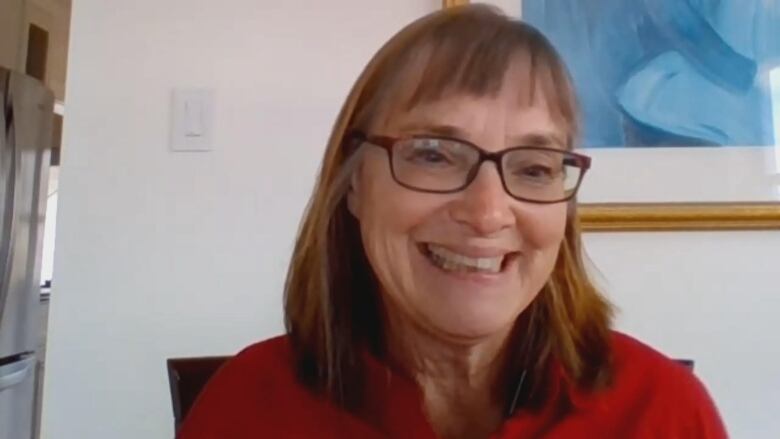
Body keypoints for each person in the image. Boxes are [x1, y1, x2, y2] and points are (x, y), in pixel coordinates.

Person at [178, 5, 728, 439]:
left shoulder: (664, 414)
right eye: (435, 155)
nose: (488, 213)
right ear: (353, 185)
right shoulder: (245, 411)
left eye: (534, 167)